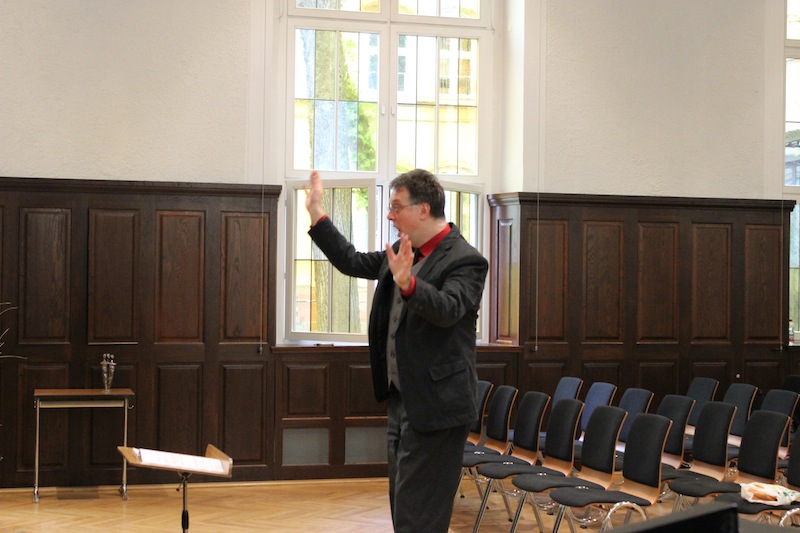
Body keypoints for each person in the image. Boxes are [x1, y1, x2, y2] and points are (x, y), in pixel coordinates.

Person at [305, 169, 489, 532]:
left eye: (396, 207)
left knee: (420, 515)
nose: (390, 216)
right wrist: (316, 212)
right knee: (403, 507)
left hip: (438, 407)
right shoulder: (405, 253)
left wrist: (409, 283)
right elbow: (351, 260)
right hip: (402, 401)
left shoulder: (466, 260)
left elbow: (448, 308)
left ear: (423, 210)